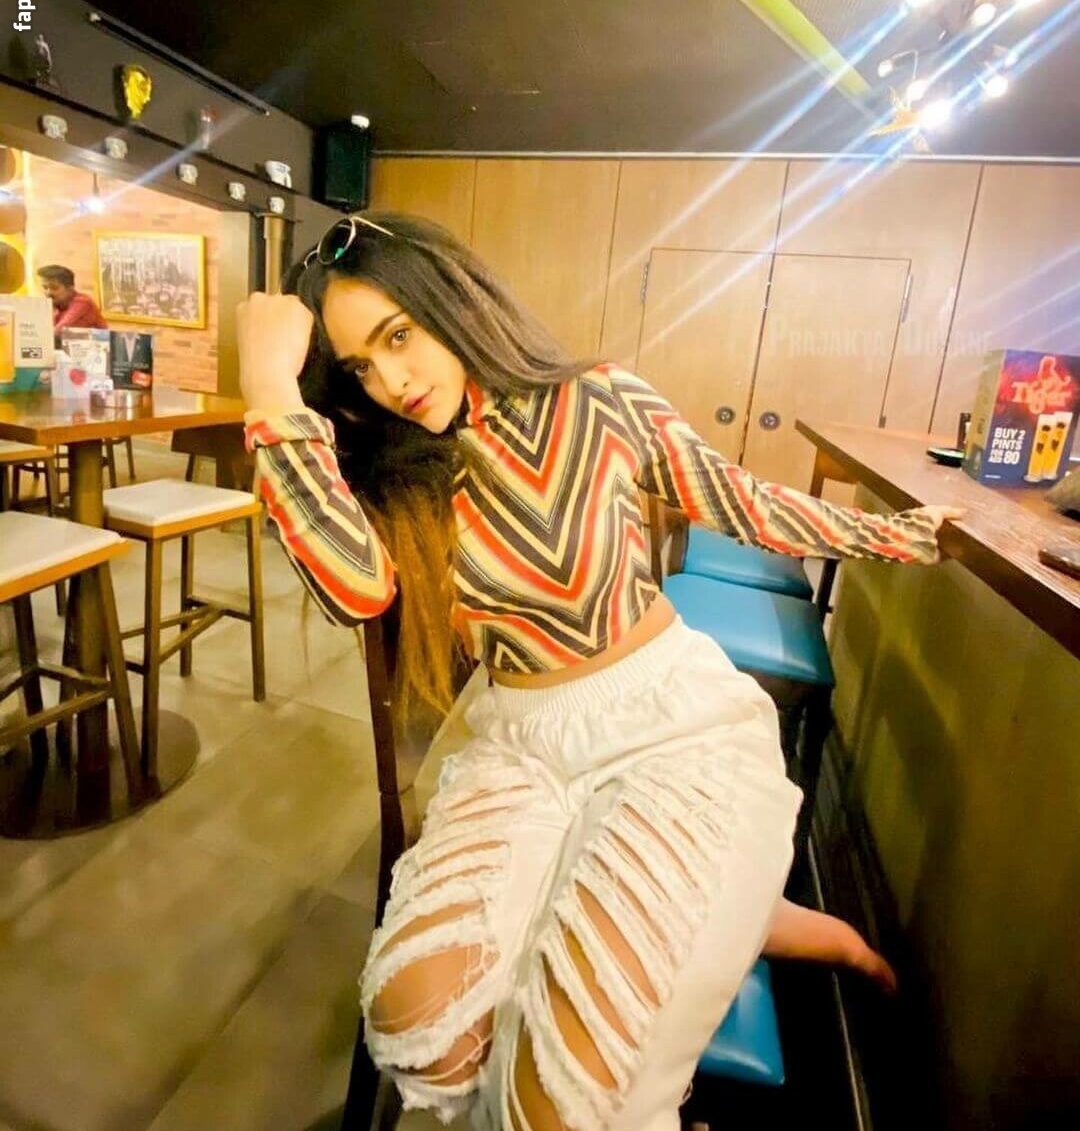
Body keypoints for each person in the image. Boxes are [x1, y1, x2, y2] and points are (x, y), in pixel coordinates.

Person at [237, 213, 963, 1131]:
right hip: (520, 744)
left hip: (665, 723)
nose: (392, 382)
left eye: (399, 336)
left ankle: (730, 910)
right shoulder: (397, 467)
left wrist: (901, 535)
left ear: (450, 301)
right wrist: (268, 386)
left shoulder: (596, 400)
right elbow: (355, 588)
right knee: (418, 1029)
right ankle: (734, 912)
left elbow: (738, 500)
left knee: (557, 1106)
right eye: (359, 369)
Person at [37, 264, 108, 332]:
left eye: (54, 288)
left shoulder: (82, 302)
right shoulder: (57, 304)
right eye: (45, 287)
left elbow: (57, 331)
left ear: (70, 288)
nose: (48, 293)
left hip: (96, 340)